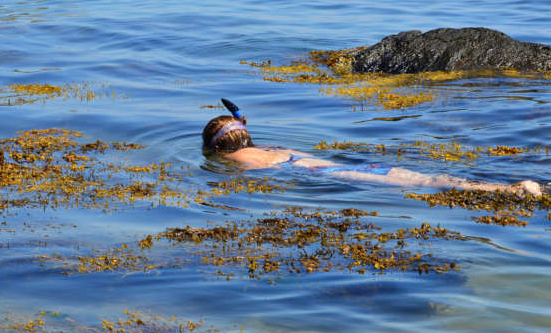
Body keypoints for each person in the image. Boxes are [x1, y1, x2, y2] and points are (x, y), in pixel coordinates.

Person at [203, 99, 542, 197]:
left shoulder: (238, 158)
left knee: (428, 184)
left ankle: (509, 190)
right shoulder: (271, 145)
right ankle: (504, 187)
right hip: (343, 167)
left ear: (217, 147)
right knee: (423, 179)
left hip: (335, 175)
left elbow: (252, 179)